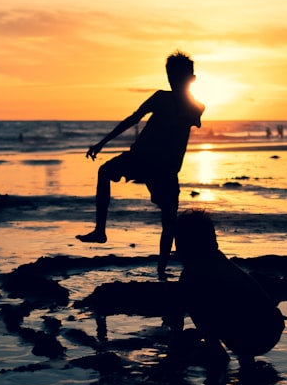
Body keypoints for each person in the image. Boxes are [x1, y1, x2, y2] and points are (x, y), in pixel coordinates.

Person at [77, 50, 205, 279]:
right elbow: (132, 119)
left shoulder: (195, 107)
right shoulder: (164, 99)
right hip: (141, 158)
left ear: (189, 79)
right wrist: (102, 143)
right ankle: (100, 231)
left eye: (176, 77)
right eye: (170, 76)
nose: (172, 81)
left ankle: (161, 272)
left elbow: (192, 119)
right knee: (104, 171)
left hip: (165, 169)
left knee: (169, 221)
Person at [173, 209, 284, 368]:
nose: (177, 250)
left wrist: (177, 341)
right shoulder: (220, 261)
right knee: (212, 299)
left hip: (255, 332)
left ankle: (216, 351)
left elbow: (180, 311)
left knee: (195, 299)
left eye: (179, 243)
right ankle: (246, 360)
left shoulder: (193, 273)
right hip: (272, 324)